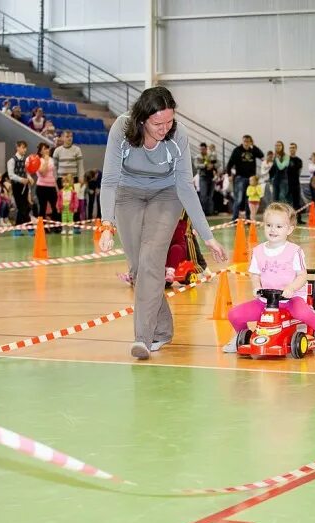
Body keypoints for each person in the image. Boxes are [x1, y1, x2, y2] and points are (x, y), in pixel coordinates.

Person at [98, 86, 227, 360]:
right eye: (158, 123)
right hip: (127, 195)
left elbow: (185, 186)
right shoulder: (122, 129)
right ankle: (164, 329)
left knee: (151, 261)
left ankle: (142, 339)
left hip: (166, 196)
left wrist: (208, 236)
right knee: (139, 269)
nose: (165, 128)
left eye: (169, 121)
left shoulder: (177, 135)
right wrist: (106, 224)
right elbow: (109, 180)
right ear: (142, 119)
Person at [221, 202, 315, 357]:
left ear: (289, 229)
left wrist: (291, 288)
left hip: (291, 300)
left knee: (303, 313)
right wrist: (256, 287)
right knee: (234, 314)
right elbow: (255, 274)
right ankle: (243, 336)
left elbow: (302, 275)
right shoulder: (258, 251)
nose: (273, 230)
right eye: (269, 225)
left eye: (279, 226)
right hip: (266, 302)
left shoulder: (294, 251)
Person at [226, 135, 264, 221]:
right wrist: (229, 174)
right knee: (238, 199)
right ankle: (234, 218)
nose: (246, 143)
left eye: (248, 141)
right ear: (242, 141)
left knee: (249, 199)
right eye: (245, 141)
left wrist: (253, 146)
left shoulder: (253, 150)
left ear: (250, 142)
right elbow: (230, 163)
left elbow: (261, 155)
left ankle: (248, 218)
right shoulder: (237, 150)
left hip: (251, 179)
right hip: (240, 177)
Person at [6, 140, 33, 235]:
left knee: (24, 207)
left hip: (24, 186)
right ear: (17, 147)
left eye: (25, 148)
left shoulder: (25, 160)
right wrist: (21, 179)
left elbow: (27, 172)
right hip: (17, 186)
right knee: (22, 208)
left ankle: (17, 230)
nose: (24, 149)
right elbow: (11, 175)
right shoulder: (12, 160)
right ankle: (30, 229)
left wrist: (29, 178)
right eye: (22, 147)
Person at [33, 142, 60, 232]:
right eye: (45, 149)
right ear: (40, 151)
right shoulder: (38, 160)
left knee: (55, 207)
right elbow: (42, 172)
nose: (47, 150)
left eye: (48, 148)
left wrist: (56, 187)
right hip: (42, 187)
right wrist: (46, 160)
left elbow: (53, 174)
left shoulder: (52, 160)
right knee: (42, 208)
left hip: (51, 187)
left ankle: (55, 226)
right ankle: (42, 227)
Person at [288, 142, 304, 224]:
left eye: (293, 147)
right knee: (287, 202)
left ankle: (298, 219)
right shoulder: (286, 159)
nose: (292, 149)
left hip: (296, 184)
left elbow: (299, 172)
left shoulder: (299, 161)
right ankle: (287, 219)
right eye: (290, 148)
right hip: (287, 184)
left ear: (296, 149)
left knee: (297, 202)